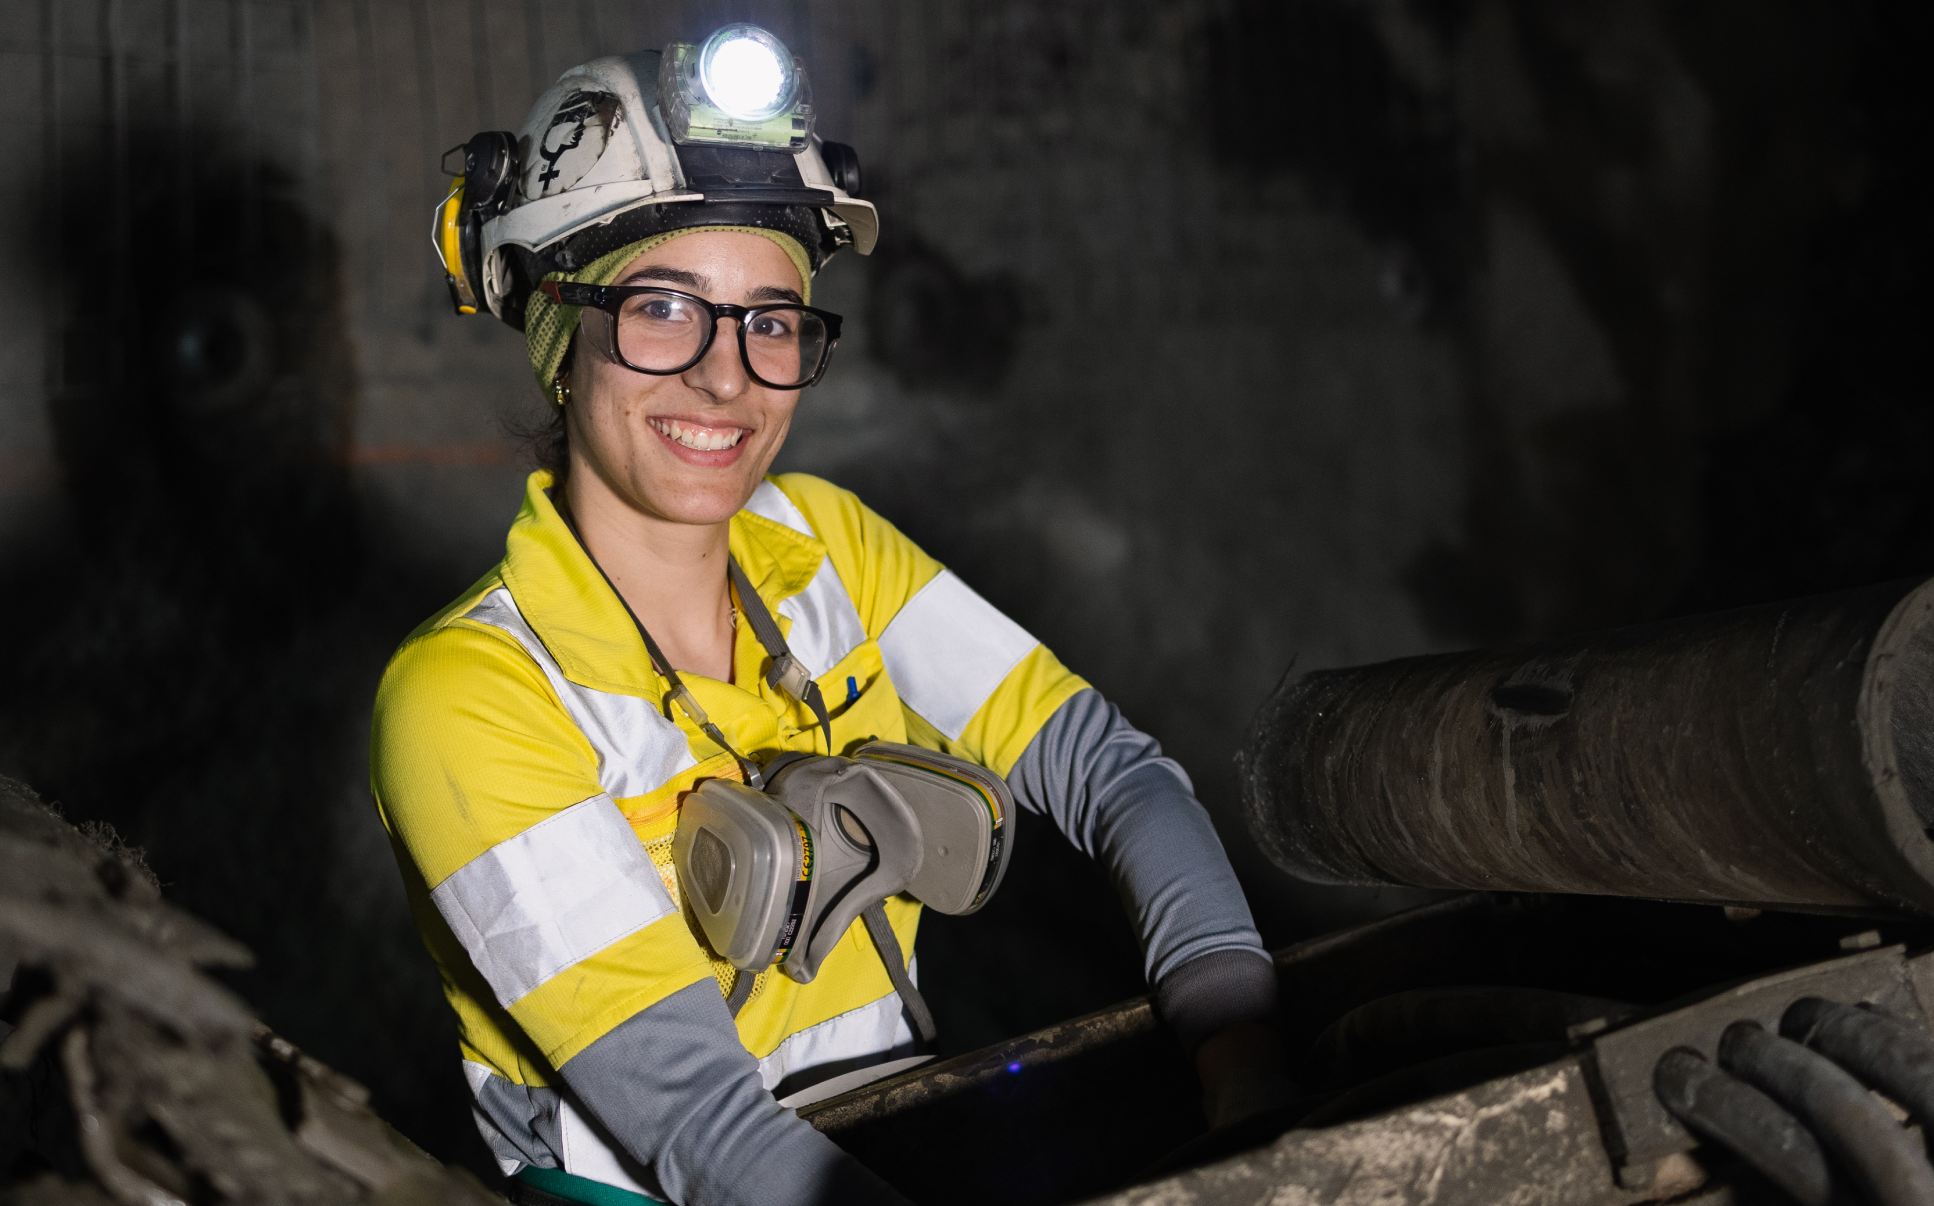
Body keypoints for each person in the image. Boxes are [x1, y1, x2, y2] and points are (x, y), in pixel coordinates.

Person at [373, 28, 1286, 1206]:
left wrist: (1248, 1072)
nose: (725, 377)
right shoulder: (468, 695)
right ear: (560, 334)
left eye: (770, 320)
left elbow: (1117, 777)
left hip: (904, 1144)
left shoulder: (824, 547)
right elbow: (701, 1126)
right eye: (663, 308)